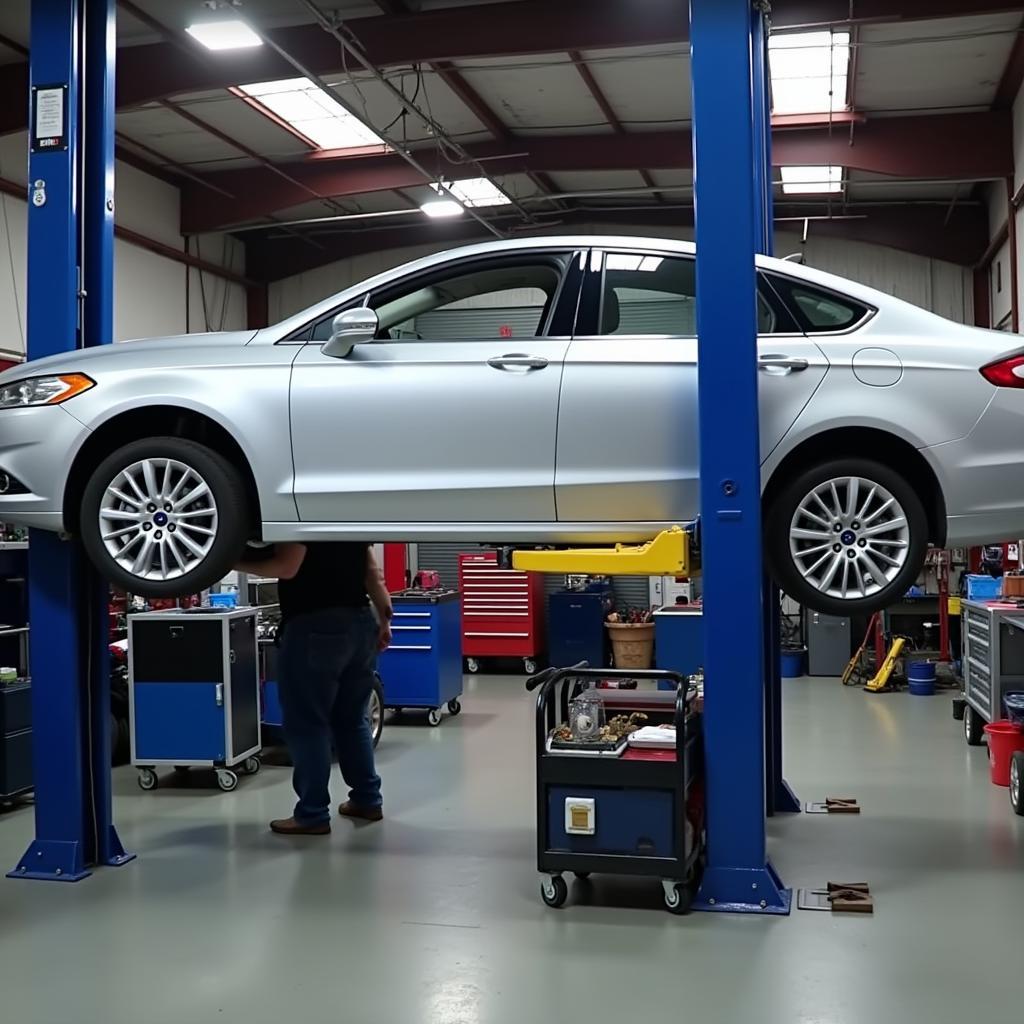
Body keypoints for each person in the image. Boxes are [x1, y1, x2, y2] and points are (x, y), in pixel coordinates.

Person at [236, 542, 393, 835]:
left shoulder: (298, 512)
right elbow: (373, 572)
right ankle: (367, 799)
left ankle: (312, 814)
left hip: (315, 626)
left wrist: (228, 561)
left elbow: (287, 566)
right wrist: (385, 617)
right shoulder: (344, 515)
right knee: (351, 719)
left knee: (307, 723)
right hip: (360, 623)